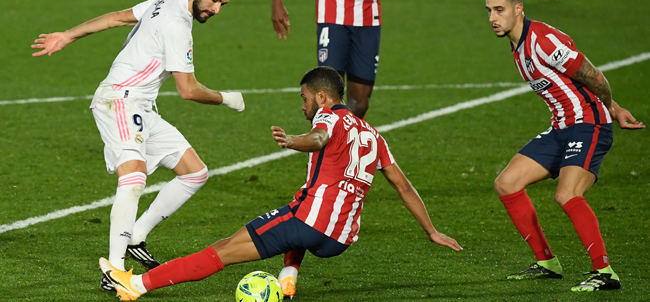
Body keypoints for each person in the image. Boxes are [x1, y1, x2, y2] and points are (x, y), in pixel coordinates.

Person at [99, 66, 462, 301]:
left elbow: (319, 138)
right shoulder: (373, 135)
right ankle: (288, 277)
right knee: (298, 209)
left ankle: (134, 286)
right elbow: (403, 185)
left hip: (311, 222)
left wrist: (293, 140)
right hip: (341, 238)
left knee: (224, 248)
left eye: (304, 99)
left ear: (321, 97)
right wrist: (431, 230)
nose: (303, 106)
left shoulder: (327, 118)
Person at [31, 0, 245, 291]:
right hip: (119, 99)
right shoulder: (177, 25)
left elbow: (117, 17)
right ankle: (114, 271)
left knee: (194, 172)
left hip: (142, 107)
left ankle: (136, 236)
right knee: (134, 177)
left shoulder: (165, 0)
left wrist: (68, 35)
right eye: (215, 0)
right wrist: (226, 98)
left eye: (222, 5)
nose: (216, 9)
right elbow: (187, 89)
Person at [485, 0, 644, 292]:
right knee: (507, 183)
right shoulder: (516, 44)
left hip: (589, 125)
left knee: (567, 194)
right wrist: (616, 108)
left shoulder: (543, 40)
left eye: (499, 10)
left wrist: (612, 109)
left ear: (518, 9)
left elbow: (593, 75)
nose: (492, 17)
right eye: (489, 10)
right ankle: (547, 262)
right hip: (561, 127)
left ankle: (606, 272)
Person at [271, 0, 399, 120]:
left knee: (360, 104)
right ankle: (328, 143)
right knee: (328, 96)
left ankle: (349, 142)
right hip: (331, 17)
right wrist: (277, 0)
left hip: (368, 17)